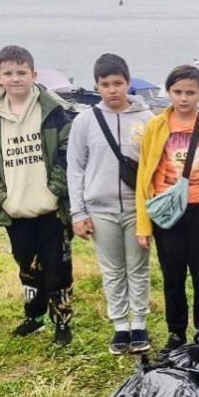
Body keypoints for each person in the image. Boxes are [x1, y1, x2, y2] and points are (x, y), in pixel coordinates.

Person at [0, 45, 75, 346]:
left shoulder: (53, 111)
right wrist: (0, 197)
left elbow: (67, 154)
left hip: (51, 207)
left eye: (21, 72)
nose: (15, 79)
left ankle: (63, 321)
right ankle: (34, 316)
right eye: (8, 73)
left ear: (34, 74)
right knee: (26, 266)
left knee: (58, 267)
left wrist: (56, 189)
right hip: (15, 208)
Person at [136, 64, 199, 355]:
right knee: (173, 275)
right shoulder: (156, 127)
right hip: (168, 212)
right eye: (177, 92)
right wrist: (143, 224)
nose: (184, 98)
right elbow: (144, 175)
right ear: (168, 93)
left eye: (190, 92)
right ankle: (176, 331)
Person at [67, 54, 154, 356]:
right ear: (97, 86)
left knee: (138, 267)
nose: (112, 90)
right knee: (113, 269)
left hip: (137, 207)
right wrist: (78, 211)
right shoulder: (85, 121)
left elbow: (156, 164)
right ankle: (120, 325)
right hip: (100, 208)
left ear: (128, 83)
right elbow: (75, 168)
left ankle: (140, 322)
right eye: (105, 84)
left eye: (118, 83)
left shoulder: (147, 120)